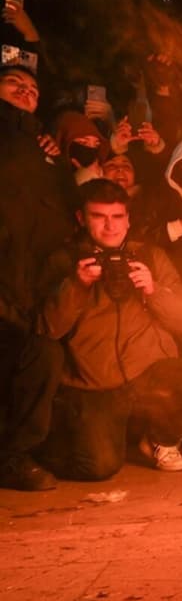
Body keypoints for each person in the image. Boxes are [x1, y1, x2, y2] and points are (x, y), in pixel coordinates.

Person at [37, 179, 182, 478]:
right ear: (81, 218)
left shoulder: (149, 256)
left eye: (117, 216)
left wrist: (153, 290)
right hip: (95, 383)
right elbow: (48, 329)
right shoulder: (64, 260)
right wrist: (78, 285)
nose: (110, 226)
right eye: (99, 216)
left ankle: (161, 440)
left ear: (128, 219)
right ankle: (65, 439)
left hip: (145, 372)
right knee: (98, 467)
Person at [0, 62, 74, 490]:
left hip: (33, 283)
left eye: (32, 87)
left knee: (39, 357)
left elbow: (66, 208)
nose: (25, 89)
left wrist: (54, 158)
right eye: (14, 82)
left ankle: (15, 456)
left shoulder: (43, 146)